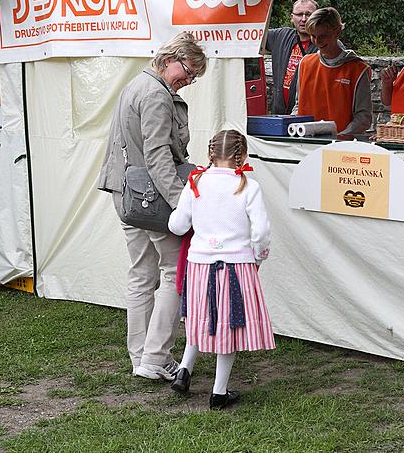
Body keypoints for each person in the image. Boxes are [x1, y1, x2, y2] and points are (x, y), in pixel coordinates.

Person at [97, 32, 207, 381]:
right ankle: (156, 357)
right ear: (169, 59)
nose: (188, 81)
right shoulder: (157, 96)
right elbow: (159, 157)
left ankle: (140, 358)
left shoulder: (137, 85)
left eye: (193, 77)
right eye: (188, 71)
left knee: (142, 275)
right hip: (153, 199)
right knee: (176, 273)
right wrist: (181, 206)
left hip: (127, 194)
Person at [167, 129, 274, 410]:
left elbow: (178, 225)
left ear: (210, 153)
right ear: (242, 155)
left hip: (200, 265)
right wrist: (258, 257)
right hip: (236, 265)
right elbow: (261, 231)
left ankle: (184, 371)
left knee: (200, 318)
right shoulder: (248, 186)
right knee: (228, 327)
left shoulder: (195, 182)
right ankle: (218, 392)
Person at [291, 7, 372, 135]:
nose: (317, 41)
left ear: (337, 31)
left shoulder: (358, 69)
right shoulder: (305, 63)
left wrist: (340, 138)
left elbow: (363, 118)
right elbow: (298, 105)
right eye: (313, 36)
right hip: (305, 143)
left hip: (340, 148)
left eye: (323, 36)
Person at [265, 0, 319, 114]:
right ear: (292, 17)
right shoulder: (280, 36)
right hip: (279, 113)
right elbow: (253, 34)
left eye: (308, 14)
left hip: (309, 115)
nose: (303, 19)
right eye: (299, 14)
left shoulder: (326, 44)